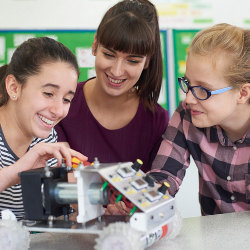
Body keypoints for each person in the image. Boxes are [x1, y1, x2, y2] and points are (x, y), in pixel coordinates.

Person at [55, 0, 169, 173]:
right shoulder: (62, 103)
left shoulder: (156, 120)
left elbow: (157, 191)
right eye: (109, 54)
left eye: (132, 60)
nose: (116, 71)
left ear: (147, 61)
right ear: (95, 46)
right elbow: (55, 179)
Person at [149, 23, 250, 215]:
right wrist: (141, 199)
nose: (188, 99)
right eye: (188, 83)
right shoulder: (188, 113)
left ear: (243, 93)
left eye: (203, 89)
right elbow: (165, 174)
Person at [0, 37, 87, 219]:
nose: (58, 110)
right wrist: (18, 170)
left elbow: (45, 212)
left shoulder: (46, 138)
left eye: (66, 99)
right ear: (14, 87)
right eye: (48, 93)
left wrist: (88, 197)